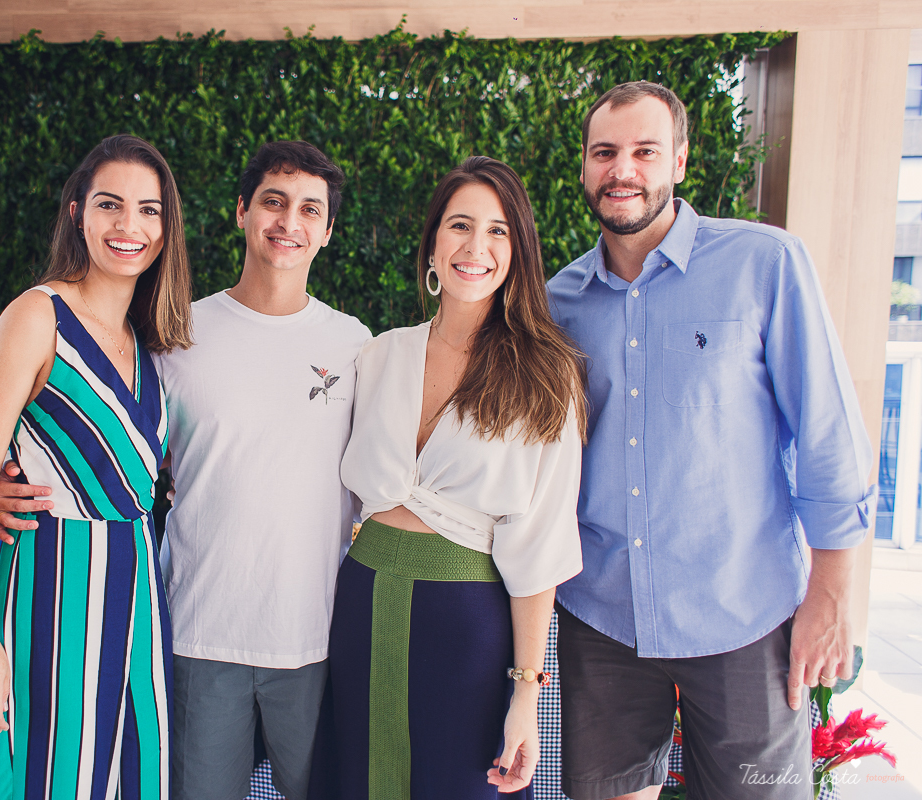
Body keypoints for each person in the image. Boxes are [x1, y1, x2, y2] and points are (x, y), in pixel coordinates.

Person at [0, 140, 372, 800]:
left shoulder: (357, 345)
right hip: (197, 639)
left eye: (310, 209)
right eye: (273, 202)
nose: (289, 222)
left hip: (314, 644)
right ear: (240, 212)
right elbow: (88, 422)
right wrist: (2, 473)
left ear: (329, 231)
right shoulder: (174, 334)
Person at [546, 81, 875, 800]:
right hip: (603, 615)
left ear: (681, 161)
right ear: (583, 168)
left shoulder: (766, 264)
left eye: (644, 151)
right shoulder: (556, 302)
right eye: (604, 152)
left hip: (742, 612)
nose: (622, 169)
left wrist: (832, 593)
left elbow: (827, 435)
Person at [311, 156, 586, 800]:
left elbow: (540, 547)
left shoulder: (549, 375)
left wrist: (527, 695)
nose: (476, 246)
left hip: (466, 625)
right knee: (356, 780)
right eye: (460, 225)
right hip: (362, 604)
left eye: (498, 231)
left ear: (518, 251)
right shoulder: (379, 354)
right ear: (433, 242)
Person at [0, 133, 194, 800]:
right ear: (76, 212)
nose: (129, 226)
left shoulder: (149, 344)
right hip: (50, 596)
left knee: (137, 781)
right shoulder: (36, 317)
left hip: (140, 596)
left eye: (149, 210)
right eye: (111, 205)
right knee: (50, 782)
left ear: (166, 229)